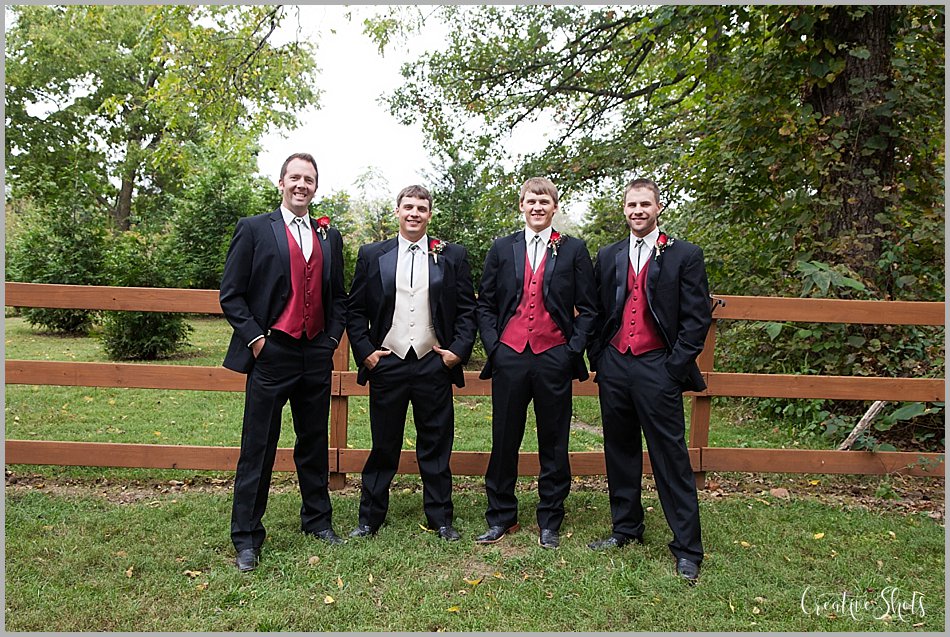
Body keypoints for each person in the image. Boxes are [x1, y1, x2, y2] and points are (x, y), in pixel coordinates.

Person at [220, 152, 347, 572]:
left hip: (315, 353)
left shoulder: (329, 236)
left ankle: (317, 520)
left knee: (313, 442)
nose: (301, 185)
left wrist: (330, 341)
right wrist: (257, 341)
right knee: (258, 446)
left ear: (316, 187)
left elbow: (339, 298)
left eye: (308, 179)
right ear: (281, 183)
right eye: (294, 177)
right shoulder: (255, 229)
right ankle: (246, 536)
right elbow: (231, 295)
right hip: (272, 352)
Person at [586, 177, 711, 584]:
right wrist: (600, 358)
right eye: (631, 205)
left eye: (645, 204)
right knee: (619, 449)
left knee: (670, 456)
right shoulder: (609, 254)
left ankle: (688, 548)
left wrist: (674, 367)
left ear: (658, 207)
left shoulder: (684, 254)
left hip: (658, 365)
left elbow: (696, 318)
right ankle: (626, 528)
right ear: (624, 209)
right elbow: (597, 310)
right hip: (615, 364)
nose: (637, 211)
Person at [346, 185, 477, 541]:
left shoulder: (452, 255)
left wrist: (458, 351)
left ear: (429, 214)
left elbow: (467, 309)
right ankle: (370, 518)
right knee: (383, 444)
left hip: (433, 362)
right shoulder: (373, 254)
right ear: (398, 211)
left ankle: (441, 518)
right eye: (408, 207)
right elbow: (355, 310)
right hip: (387, 361)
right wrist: (366, 352)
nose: (414, 213)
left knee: (436, 444)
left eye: (421, 208)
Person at [474, 177, 597, 550]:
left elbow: (589, 308)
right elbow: (485, 304)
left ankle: (550, 519)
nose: (537, 207)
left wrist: (571, 350)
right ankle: (501, 516)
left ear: (554, 207)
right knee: (504, 439)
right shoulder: (502, 247)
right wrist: (495, 347)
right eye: (531, 201)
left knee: (554, 441)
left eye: (544, 201)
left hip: (553, 356)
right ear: (522, 205)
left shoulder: (573, 249)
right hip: (510, 356)